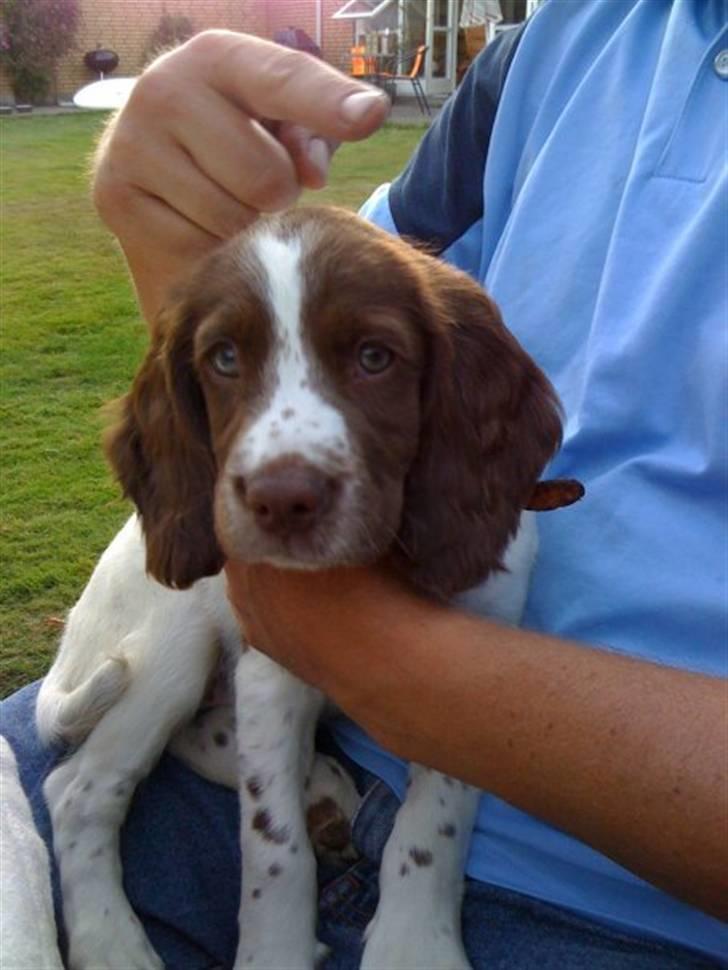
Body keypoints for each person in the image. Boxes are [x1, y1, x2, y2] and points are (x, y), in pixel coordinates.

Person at [1, 1, 726, 967]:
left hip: (597, 897)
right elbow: (305, 296)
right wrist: (169, 230)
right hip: (242, 765)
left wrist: (372, 650)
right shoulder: (560, 43)